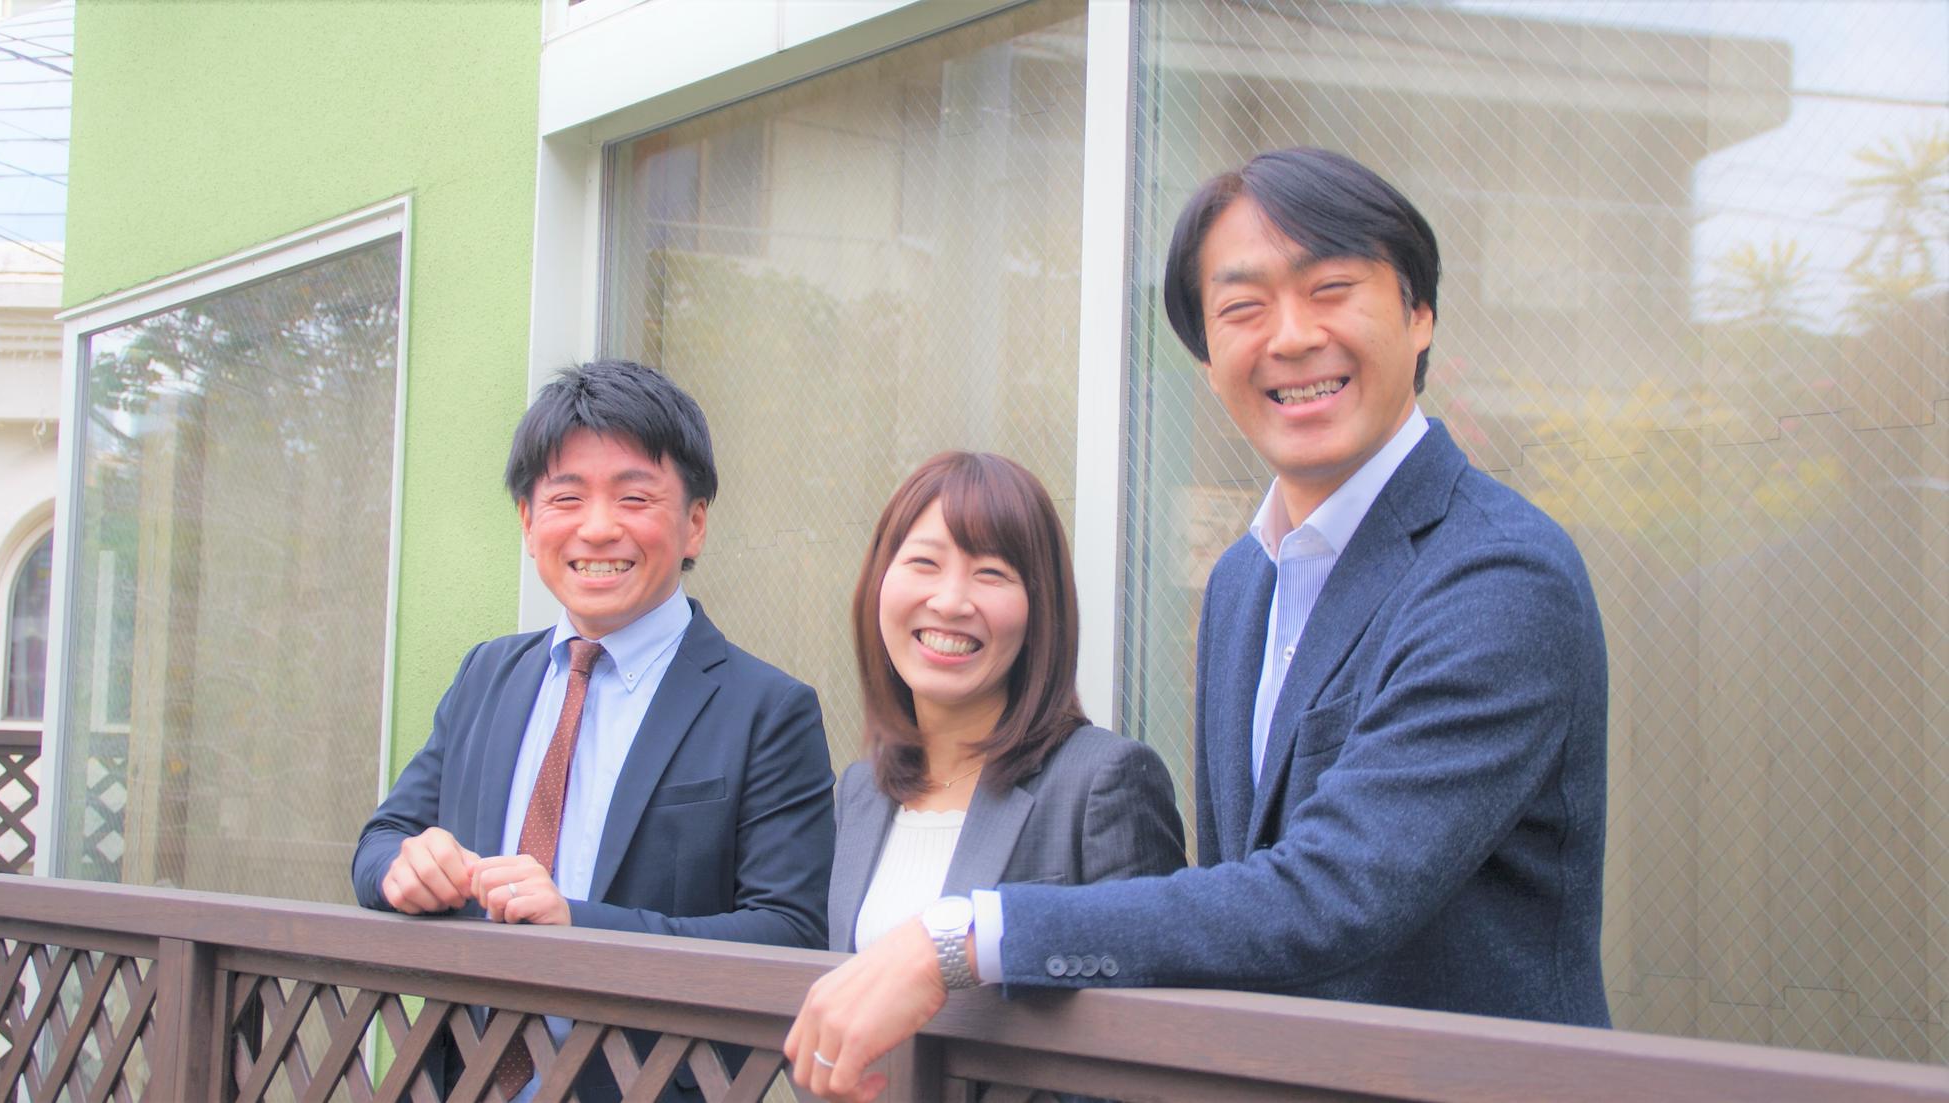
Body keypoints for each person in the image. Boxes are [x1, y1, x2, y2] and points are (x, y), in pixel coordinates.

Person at [785, 147, 1610, 1102]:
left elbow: (1334, 890)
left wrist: (964, 936)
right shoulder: (1241, 582)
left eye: (1332, 289)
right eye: (1244, 307)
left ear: (1418, 312)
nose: (1292, 337)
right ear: (1209, 358)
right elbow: (1236, 894)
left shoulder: (1498, 573)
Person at [353, 359, 835, 1102]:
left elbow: (790, 935)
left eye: (635, 497)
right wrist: (403, 866)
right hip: (460, 1081)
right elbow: (380, 841)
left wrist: (577, 925)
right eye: (566, 497)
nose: (599, 527)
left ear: (694, 522)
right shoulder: (486, 675)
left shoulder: (768, 709)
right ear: (528, 522)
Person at [828, 451, 1185, 958]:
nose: (950, 602)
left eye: (991, 573)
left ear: (1040, 609)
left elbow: (1151, 969)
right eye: (925, 563)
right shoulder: (861, 792)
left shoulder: (1103, 782)